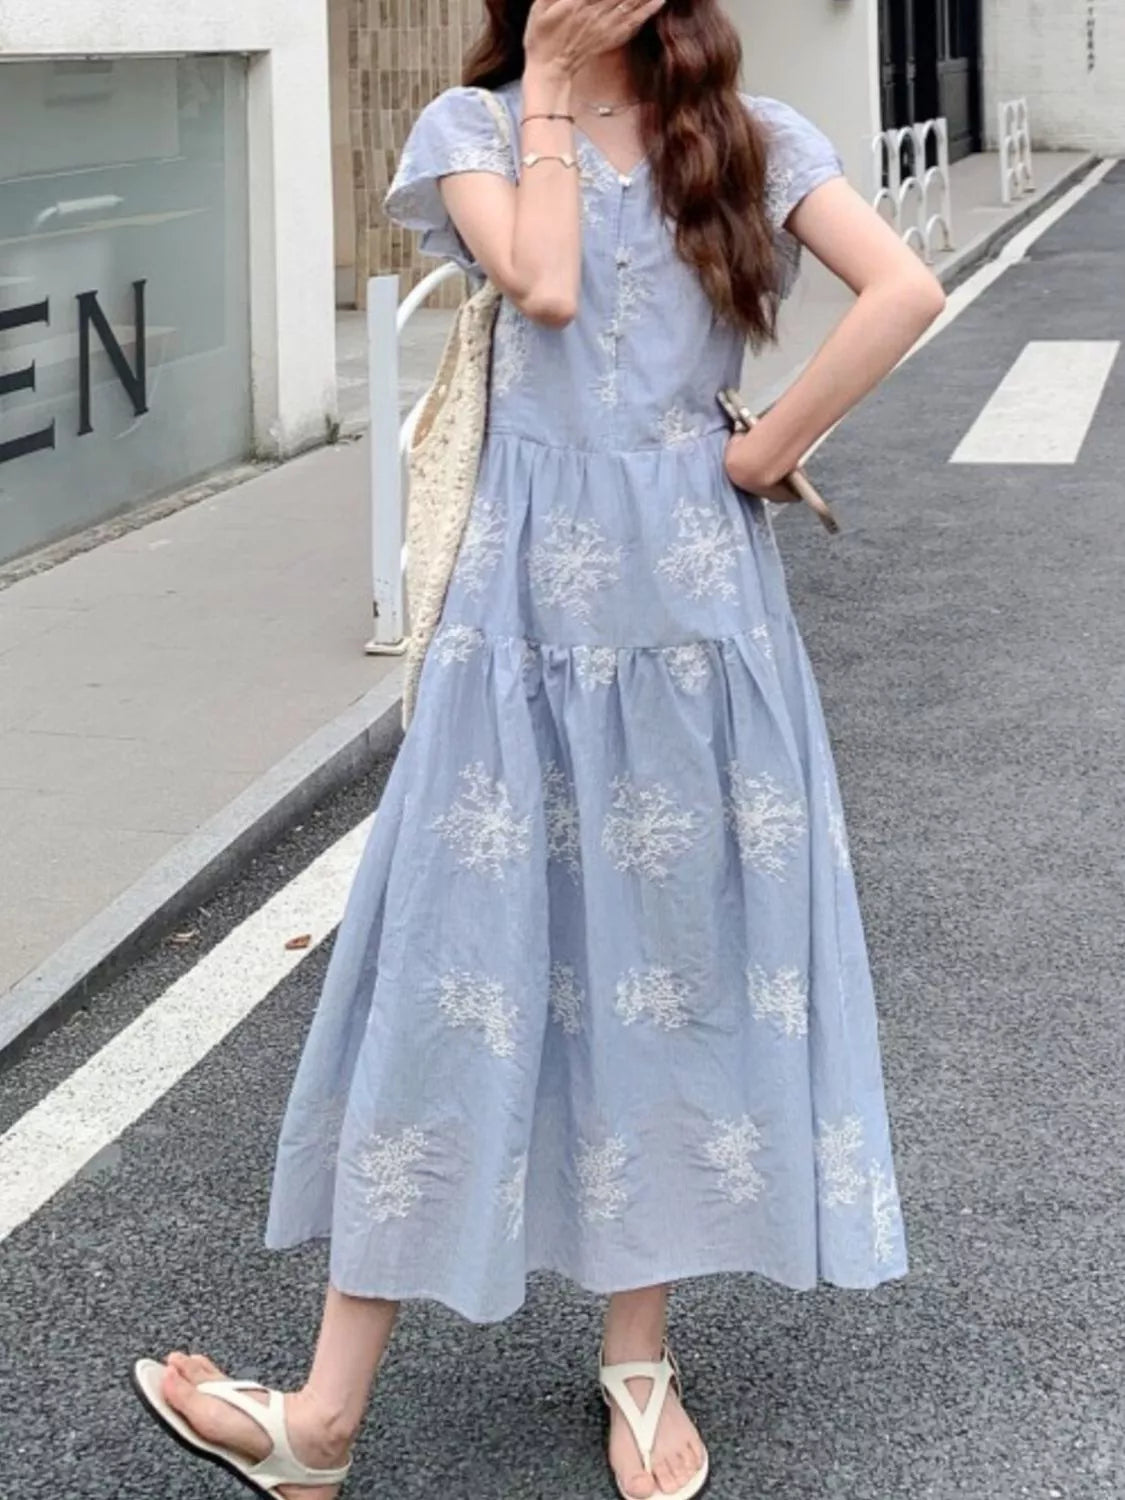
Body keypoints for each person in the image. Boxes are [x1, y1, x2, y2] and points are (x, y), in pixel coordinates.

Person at [131, 0, 944, 1494]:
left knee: (672, 967)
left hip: (696, 636)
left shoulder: (748, 142)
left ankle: (637, 1360)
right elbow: (549, 286)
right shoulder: (475, 132)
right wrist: (556, 85)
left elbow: (903, 290)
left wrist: (762, 452)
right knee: (448, 969)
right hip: (517, 629)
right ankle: (321, 1418)